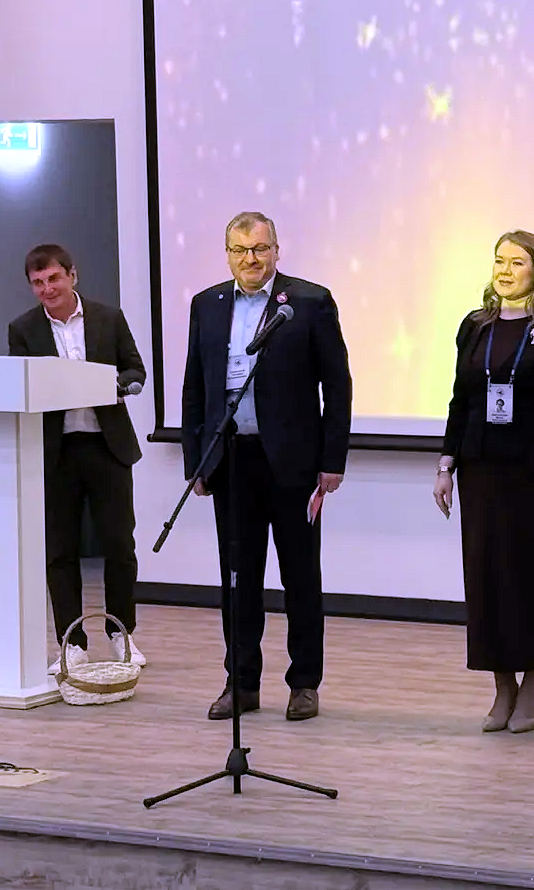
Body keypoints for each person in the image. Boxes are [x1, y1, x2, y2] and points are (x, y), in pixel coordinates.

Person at [182, 211, 352, 722]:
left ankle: (304, 684)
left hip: (294, 463)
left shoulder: (308, 302)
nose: (250, 259)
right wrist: (196, 460)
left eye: (259, 249)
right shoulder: (207, 305)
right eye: (240, 250)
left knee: (301, 578)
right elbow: (195, 386)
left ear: (277, 250)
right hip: (232, 460)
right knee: (238, 579)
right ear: (227, 255)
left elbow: (337, 386)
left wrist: (332, 459)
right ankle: (242, 683)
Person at [434, 230, 534, 734]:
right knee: (487, 581)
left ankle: (532, 684)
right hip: (481, 472)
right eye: (499, 260)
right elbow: (460, 400)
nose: (505, 270)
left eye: (517, 262)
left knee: (532, 580)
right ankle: (502, 687)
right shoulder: (475, 325)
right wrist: (446, 465)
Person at [8, 244, 147, 673]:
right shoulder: (22, 329)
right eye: (38, 283)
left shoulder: (108, 318)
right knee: (60, 551)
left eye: (53, 278)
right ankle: (71, 643)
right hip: (56, 453)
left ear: (73, 275)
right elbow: (19, 383)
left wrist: (111, 385)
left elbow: (136, 370)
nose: (47, 289)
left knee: (119, 545)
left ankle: (121, 635)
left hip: (107, 447)